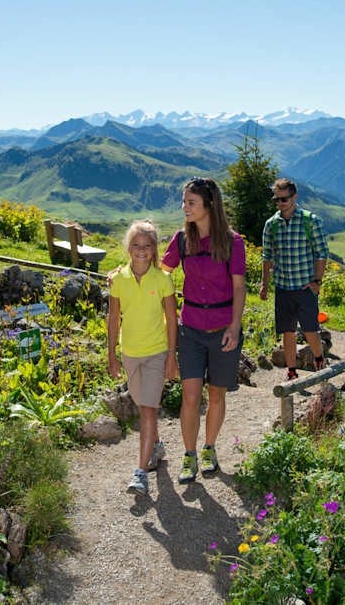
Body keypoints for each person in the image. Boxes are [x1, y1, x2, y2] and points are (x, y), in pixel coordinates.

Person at [160, 177, 246, 484]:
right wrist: (127, 274)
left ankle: (209, 448)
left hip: (224, 329)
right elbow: (161, 273)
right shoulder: (181, 240)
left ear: (209, 204)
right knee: (190, 397)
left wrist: (235, 328)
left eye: (190, 202)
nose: (184, 207)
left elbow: (239, 286)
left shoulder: (232, 241)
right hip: (190, 330)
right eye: (184, 202)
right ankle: (189, 455)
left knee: (217, 395)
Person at [107, 220, 179, 496]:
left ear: (154, 249)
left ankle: (140, 473)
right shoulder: (118, 280)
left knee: (148, 409)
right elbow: (113, 319)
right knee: (142, 404)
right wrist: (112, 354)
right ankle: (157, 445)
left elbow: (172, 319)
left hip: (157, 352)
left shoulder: (163, 279)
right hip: (129, 353)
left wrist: (172, 356)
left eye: (147, 246)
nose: (141, 250)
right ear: (128, 247)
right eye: (136, 245)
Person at [259, 178, 329, 382]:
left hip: (305, 287)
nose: (280, 203)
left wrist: (317, 281)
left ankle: (319, 360)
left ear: (294, 197)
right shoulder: (271, 225)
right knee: (287, 332)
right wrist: (264, 285)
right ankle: (291, 372)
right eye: (277, 199)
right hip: (283, 287)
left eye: (284, 199)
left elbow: (321, 253)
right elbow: (267, 257)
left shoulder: (310, 220)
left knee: (310, 329)